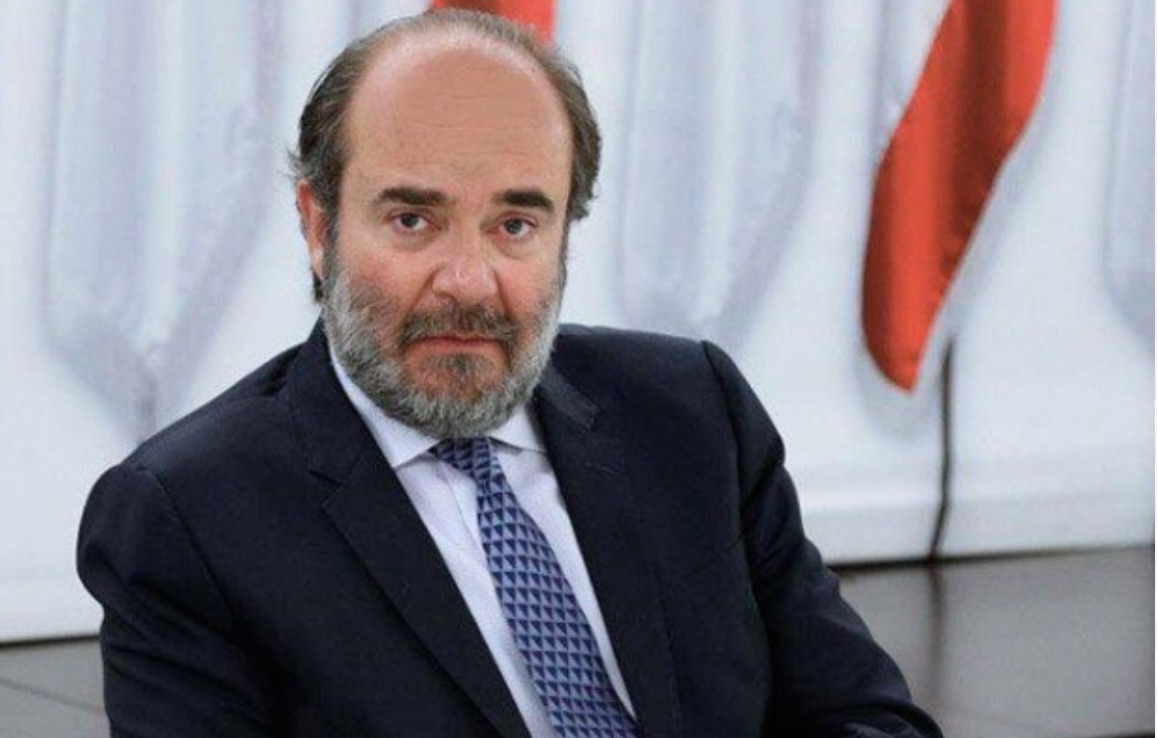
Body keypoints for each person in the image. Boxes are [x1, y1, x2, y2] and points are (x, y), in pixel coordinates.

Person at [77, 9, 941, 738]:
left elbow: (864, 718)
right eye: (413, 220)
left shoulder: (691, 415)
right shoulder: (186, 518)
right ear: (317, 223)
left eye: (515, 226)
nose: (468, 282)